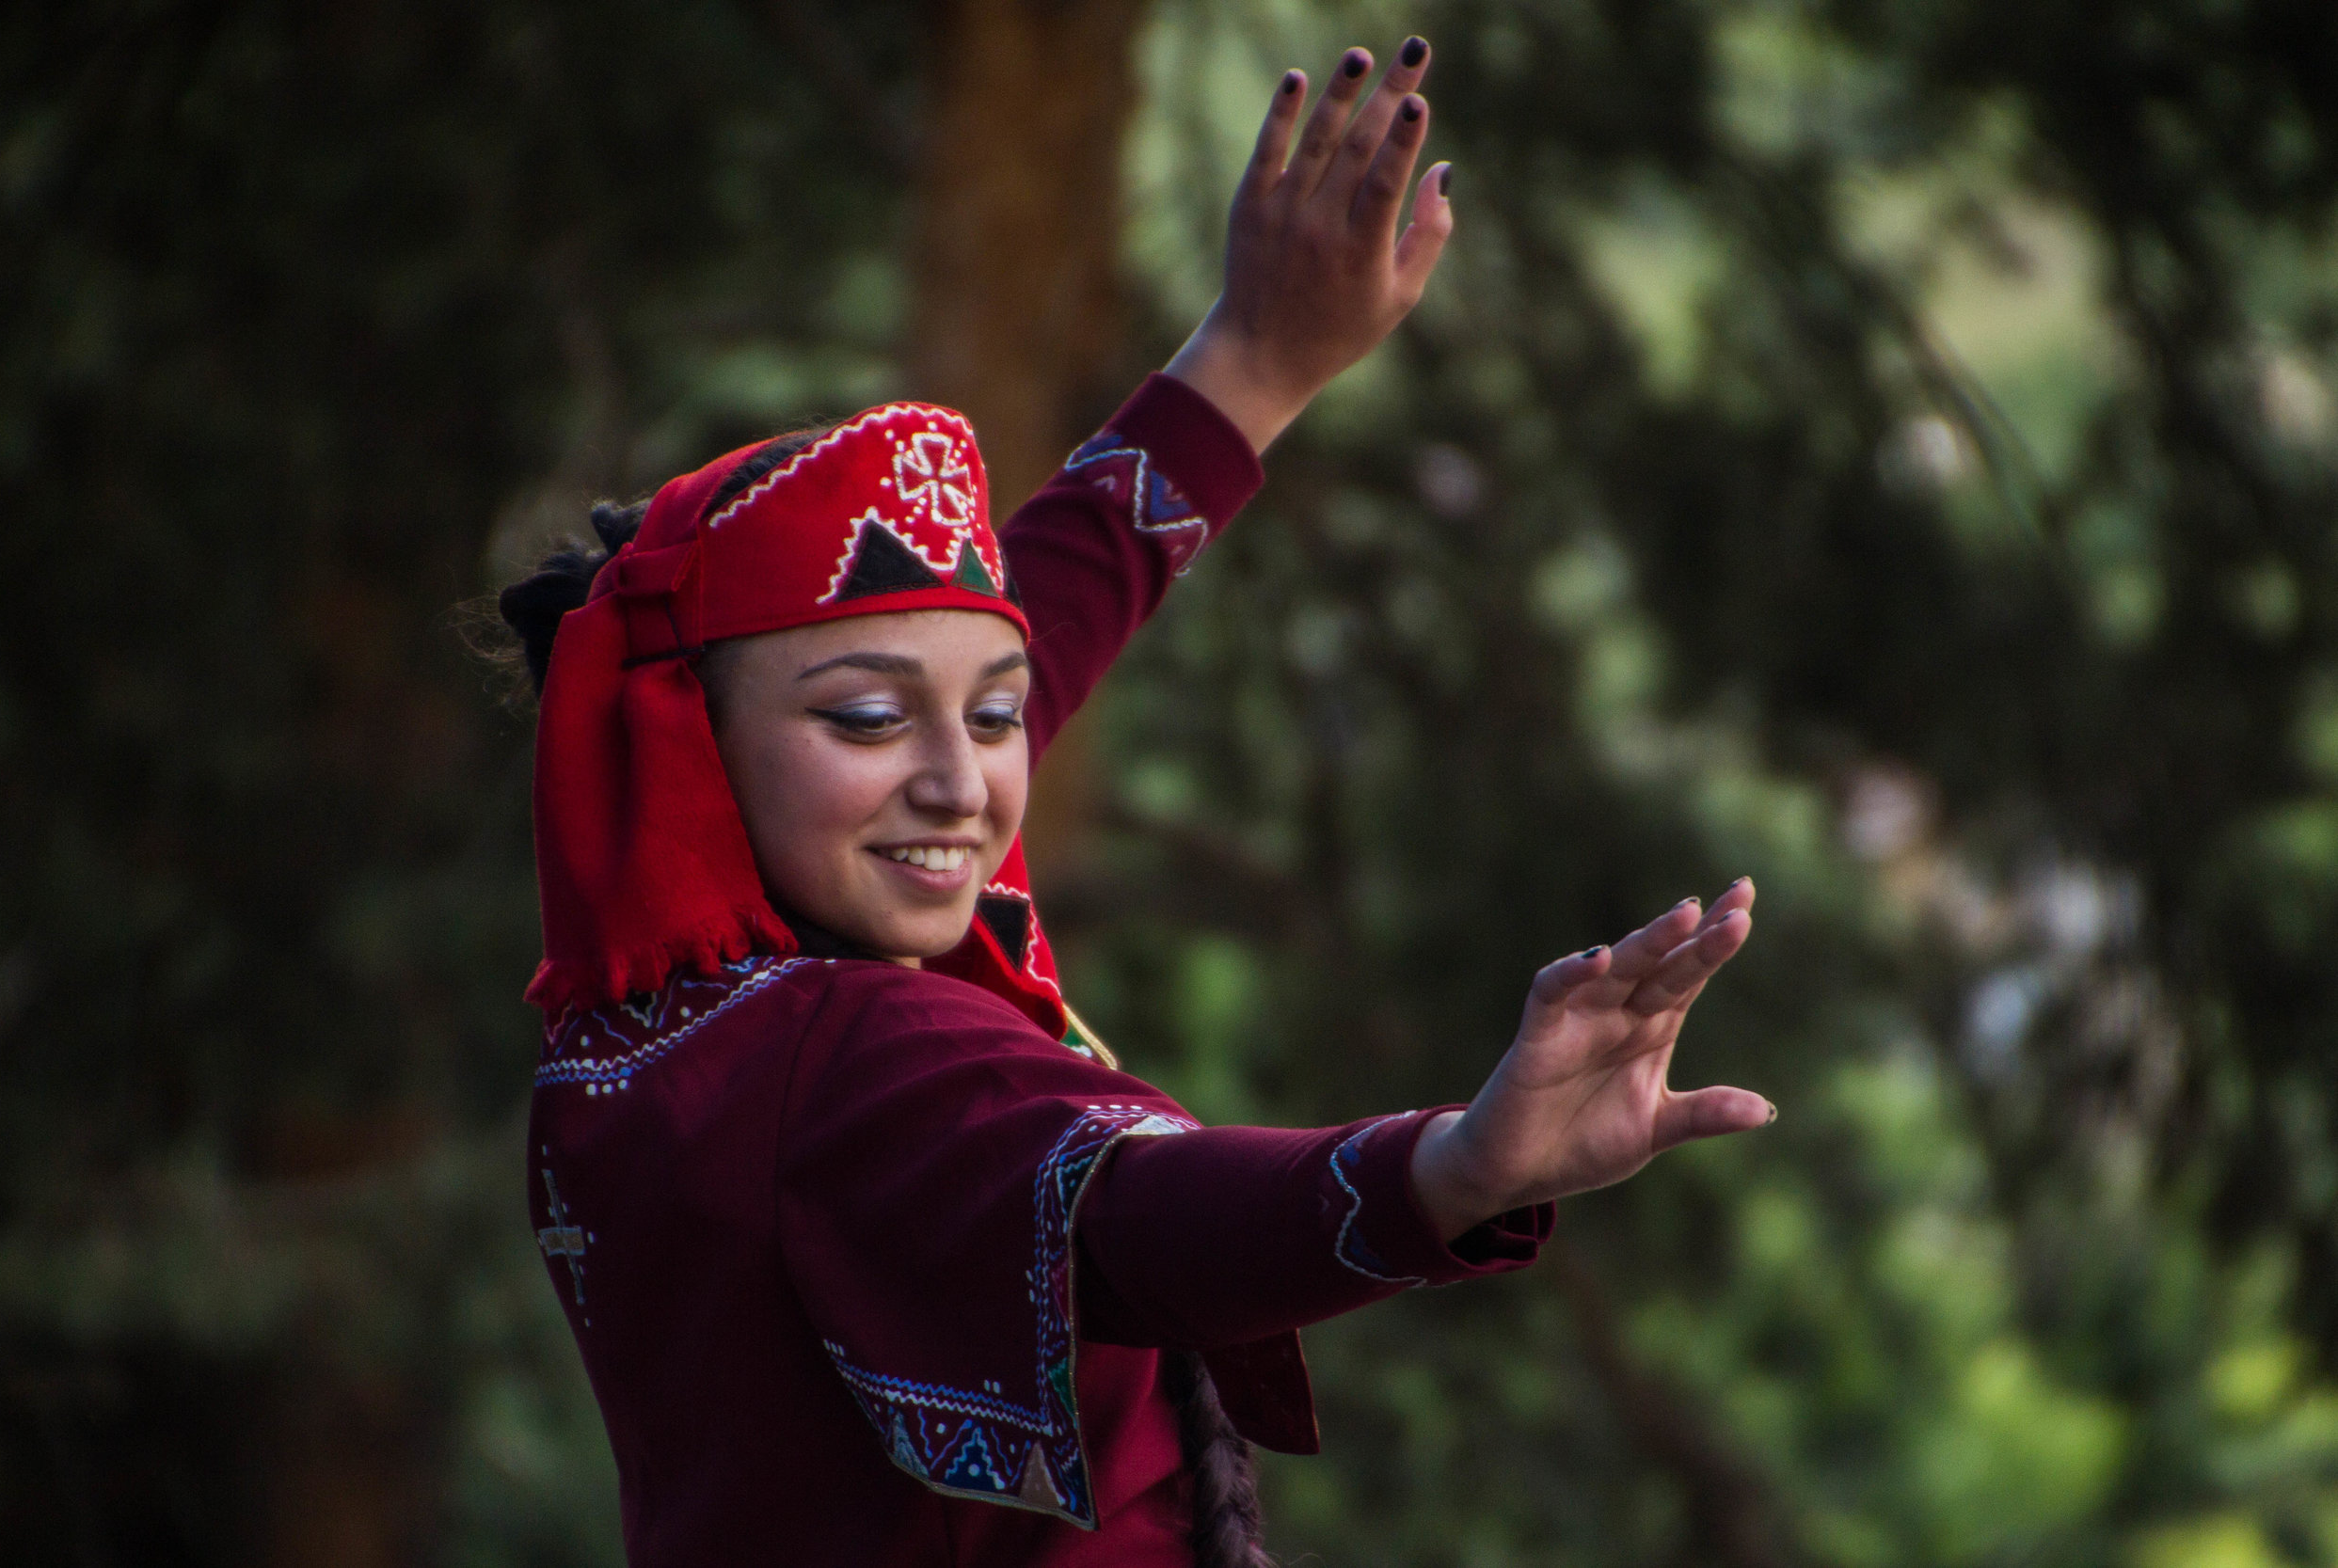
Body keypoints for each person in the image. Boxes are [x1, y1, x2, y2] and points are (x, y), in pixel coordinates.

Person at [496, 37, 1770, 1568]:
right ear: (697, 736)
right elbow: (1134, 1217)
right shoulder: (846, 1052)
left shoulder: (647, 1032)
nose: (961, 782)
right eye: (865, 719)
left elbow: (1026, 618)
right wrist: (1453, 1168)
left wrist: (1255, 360)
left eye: (994, 715)